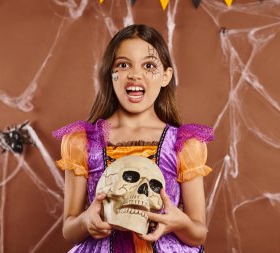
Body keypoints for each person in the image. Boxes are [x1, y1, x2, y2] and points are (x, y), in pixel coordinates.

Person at [53, 24, 214, 253]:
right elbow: (69, 229)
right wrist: (86, 221)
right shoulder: (82, 142)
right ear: (112, 73)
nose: (135, 74)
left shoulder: (185, 144)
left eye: (148, 66)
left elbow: (198, 232)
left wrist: (180, 222)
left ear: (165, 76)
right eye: (123, 64)